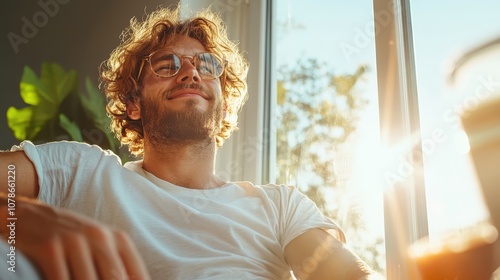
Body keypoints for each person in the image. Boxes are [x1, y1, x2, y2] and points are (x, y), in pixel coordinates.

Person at [0, 5, 384, 280]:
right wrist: (17, 220)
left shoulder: (280, 208)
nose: (190, 73)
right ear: (133, 103)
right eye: (167, 66)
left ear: (223, 98)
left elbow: (347, 276)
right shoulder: (81, 172)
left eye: (207, 66)